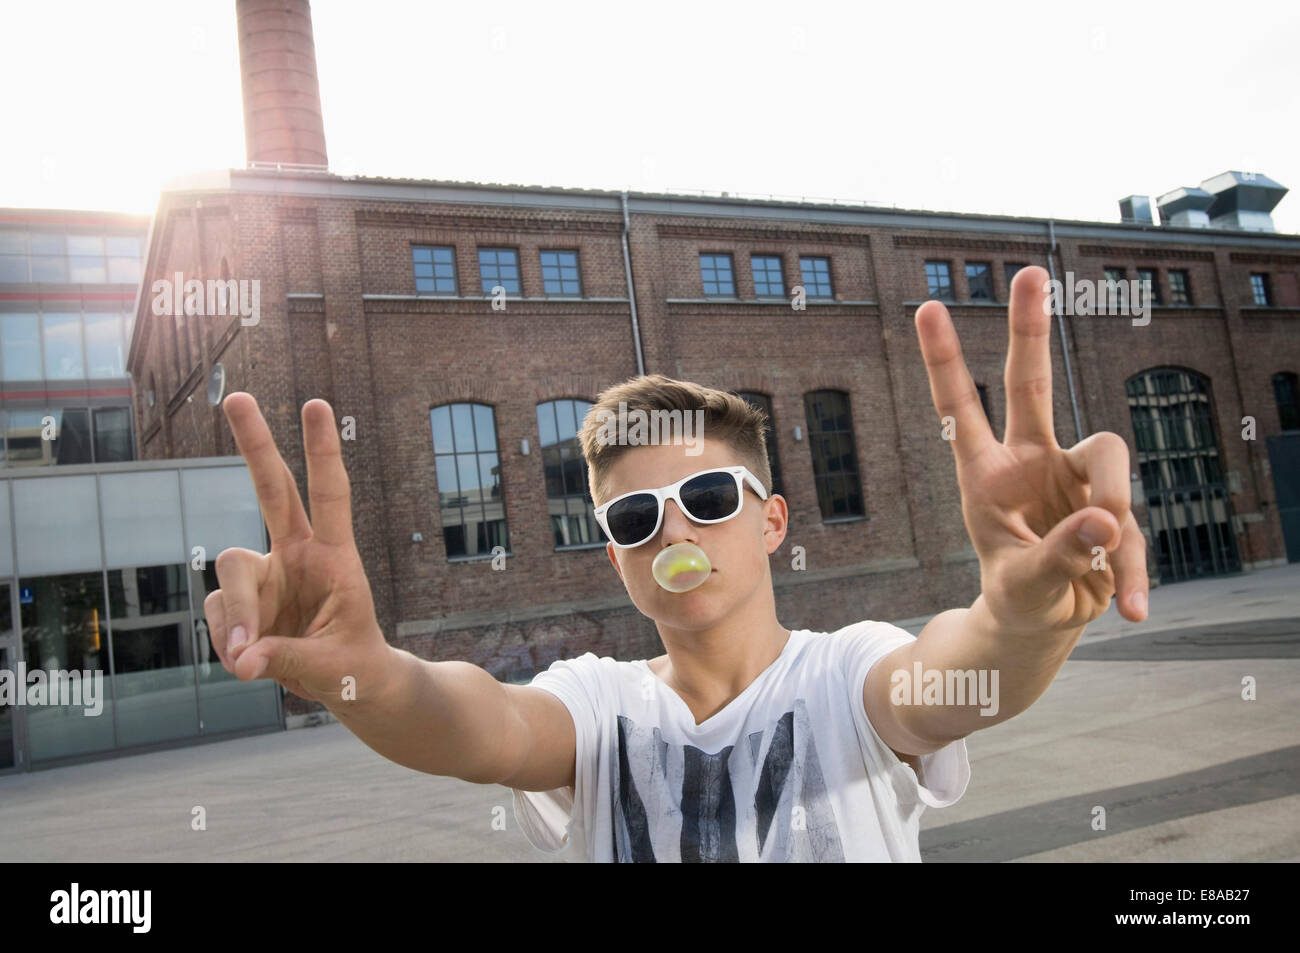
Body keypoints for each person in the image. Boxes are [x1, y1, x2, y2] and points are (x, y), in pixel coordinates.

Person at [207, 265, 1148, 861]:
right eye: (635, 514)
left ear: (772, 520)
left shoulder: (846, 673)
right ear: (614, 549)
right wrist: (362, 676)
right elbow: (469, 721)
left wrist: (1026, 617)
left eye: (706, 500)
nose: (674, 532)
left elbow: (955, 678)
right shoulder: (598, 706)